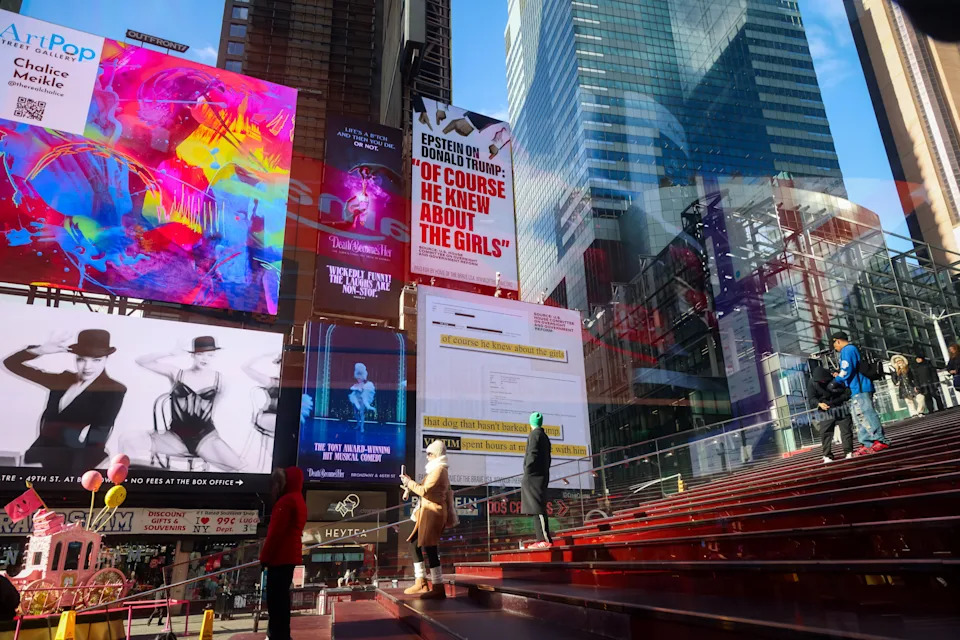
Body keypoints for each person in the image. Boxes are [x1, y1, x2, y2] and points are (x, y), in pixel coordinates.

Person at [3, 330, 126, 474]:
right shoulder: (63, 379)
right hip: (37, 455)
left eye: (96, 360)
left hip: (73, 464)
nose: (87, 367)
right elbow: (11, 364)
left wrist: (70, 478)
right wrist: (41, 350)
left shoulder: (113, 390)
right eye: (81, 359)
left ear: (106, 359)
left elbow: (97, 438)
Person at [137, 336, 244, 471]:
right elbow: (141, 361)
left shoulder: (220, 379)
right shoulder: (177, 373)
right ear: (193, 355)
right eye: (200, 354)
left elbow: (214, 407)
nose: (205, 359)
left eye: (210, 355)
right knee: (129, 441)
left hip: (206, 438)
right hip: (175, 437)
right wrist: (170, 353)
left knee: (240, 468)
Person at [400, 440, 454, 600]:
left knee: (430, 548)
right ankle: (422, 581)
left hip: (433, 513)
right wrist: (409, 484)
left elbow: (424, 490)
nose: (427, 456)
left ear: (437, 454)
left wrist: (409, 483)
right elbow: (424, 489)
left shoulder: (439, 470)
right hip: (428, 513)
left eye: (430, 454)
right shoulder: (436, 470)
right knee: (415, 544)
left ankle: (437, 586)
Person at [259, 467, 306, 640]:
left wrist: (264, 557)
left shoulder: (285, 502)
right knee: (282, 599)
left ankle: (278, 635)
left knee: (275, 601)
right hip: (290, 556)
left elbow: (275, 534)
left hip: (279, 557)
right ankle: (282, 634)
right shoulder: (299, 499)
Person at [831, 332, 889, 455]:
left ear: (838, 341)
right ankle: (867, 442)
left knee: (866, 413)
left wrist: (836, 381)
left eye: (834, 344)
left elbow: (846, 369)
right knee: (859, 417)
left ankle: (879, 440)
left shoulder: (847, 350)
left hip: (860, 388)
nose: (834, 347)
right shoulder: (850, 349)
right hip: (857, 388)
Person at [807, 366, 854, 462]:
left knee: (846, 430)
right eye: (821, 381)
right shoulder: (812, 382)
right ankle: (827, 455)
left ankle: (848, 452)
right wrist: (819, 404)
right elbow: (811, 398)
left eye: (824, 380)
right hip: (825, 410)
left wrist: (840, 399)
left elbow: (847, 392)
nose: (823, 382)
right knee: (825, 433)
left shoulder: (836, 377)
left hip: (841, 406)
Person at [521, 412, 553, 547]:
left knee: (538, 508)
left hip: (534, 476)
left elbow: (532, 454)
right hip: (540, 475)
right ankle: (541, 539)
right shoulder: (544, 436)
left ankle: (544, 539)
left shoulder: (535, 435)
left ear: (531, 422)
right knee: (536, 507)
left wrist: (527, 470)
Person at [348, 363, 375, 433]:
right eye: (358, 378)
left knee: (361, 413)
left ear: (362, 378)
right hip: (356, 401)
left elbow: (365, 393)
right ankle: (358, 424)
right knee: (355, 413)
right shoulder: (356, 385)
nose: (358, 379)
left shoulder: (366, 385)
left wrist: (361, 388)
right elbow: (352, 389)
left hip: (362, 401)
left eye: (360, 378)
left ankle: (362, 427)